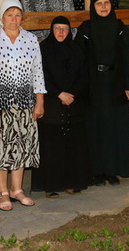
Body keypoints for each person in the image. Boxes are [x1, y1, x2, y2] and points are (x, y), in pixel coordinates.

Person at [0, 0, 45, 210]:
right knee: (0, 146)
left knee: (21, 144)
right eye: (9, 14)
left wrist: (39, 101)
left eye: (17, 15)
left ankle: (17, 189)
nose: (14, 19)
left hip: (25, 101)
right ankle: (2, 192)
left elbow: (38, 72)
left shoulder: (31, 39)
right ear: (2, 17)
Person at [75, 0, 129, 186]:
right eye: (99, 3)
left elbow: (126, 59)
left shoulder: (119, 28)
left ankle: (112, 171)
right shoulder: (86, 28)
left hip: (115, 84)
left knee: (113, 129)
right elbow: (79, 61)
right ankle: (97, 172)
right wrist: (82, 87)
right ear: (93, 7)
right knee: (96, 128)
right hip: (93, 85)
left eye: (106, 3)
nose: (103, 7)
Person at [31, 16, 91, 198]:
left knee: (73, 146)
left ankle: (73, 183)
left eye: (65, 29)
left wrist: (72, 94)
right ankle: (52, 185)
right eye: (57, 28)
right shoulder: (43, 49)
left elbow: (84, 75)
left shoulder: (76, 50)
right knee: (52, 147)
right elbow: (40, 75)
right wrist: (58, 93)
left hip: (73, 103)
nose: (61, 32)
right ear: (51, 29)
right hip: (51, 103)